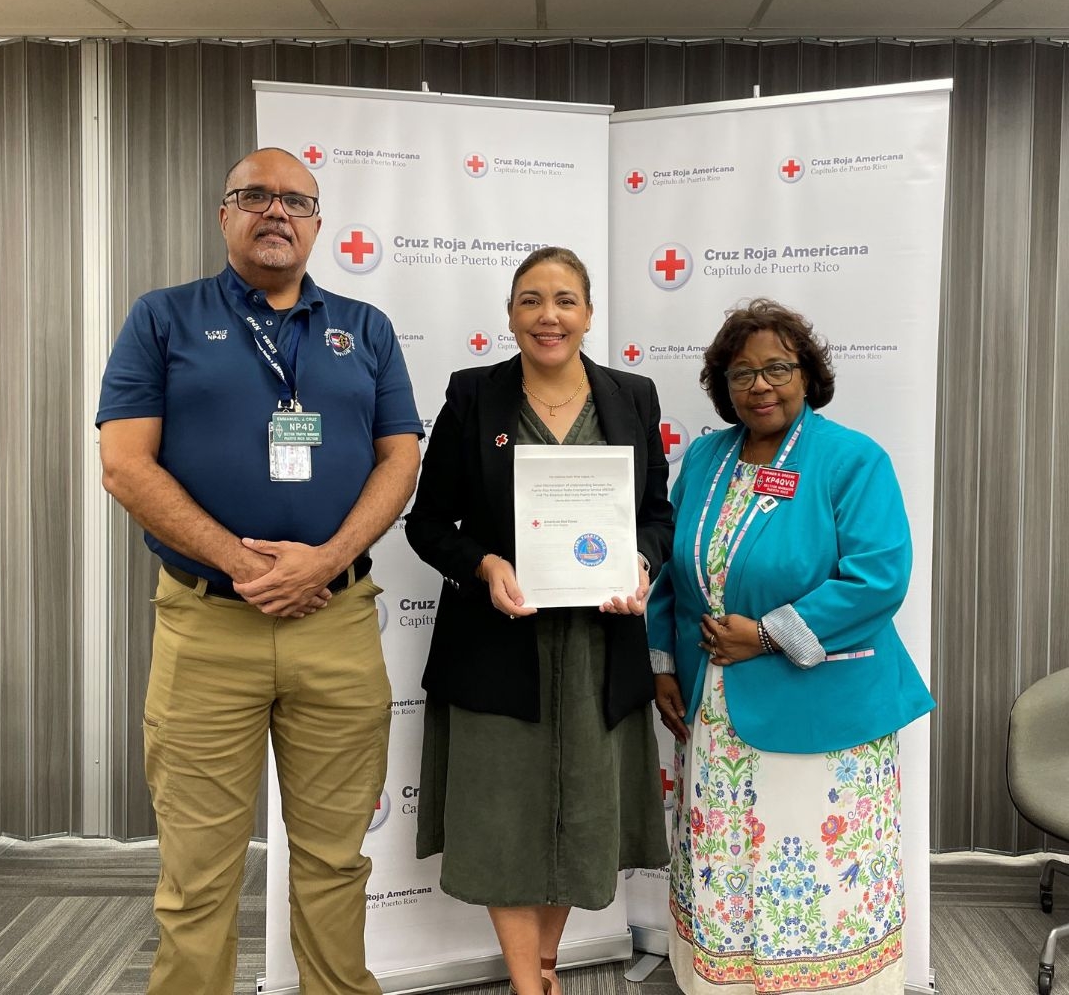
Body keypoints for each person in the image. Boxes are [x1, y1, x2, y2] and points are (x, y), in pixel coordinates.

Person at [96, 147, 423, 995]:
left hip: (336, 623)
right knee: (198, 872)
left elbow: (400, 458)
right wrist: (246, 564)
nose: (276, 212)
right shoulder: (162, 318)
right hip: (209, 627)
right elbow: (125, 466)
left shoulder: (366, 328)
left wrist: (327, 560)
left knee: (334, 860)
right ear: (224, 214)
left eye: (296, 201)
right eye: (255, 196)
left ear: (318, 225)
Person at [404, 246, 673, 995]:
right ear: (511, 314)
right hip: (498, 644)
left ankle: (547, 966)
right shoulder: (473, 396)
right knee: (505, 817)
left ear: (588, 314)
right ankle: (529, 984)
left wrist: (642, 562)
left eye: (564, 300)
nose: (547, 316)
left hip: (597, 648)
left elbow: (657, 515)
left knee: (578, 817)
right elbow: (428, 524)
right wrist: (486, 565)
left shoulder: (632, 397)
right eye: (530, 300)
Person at [648, 299, 934, 995]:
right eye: (741, 373)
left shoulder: (851, 460)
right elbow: (671, 572)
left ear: (807, 374)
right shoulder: (706, 458)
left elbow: (877, 578)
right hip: (716, 706)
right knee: (729, 862)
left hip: (822, 709)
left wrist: (767, 635)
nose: (760, 386)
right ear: (723, 385)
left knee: (811, 871)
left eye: (777, 368)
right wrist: (661, 665)